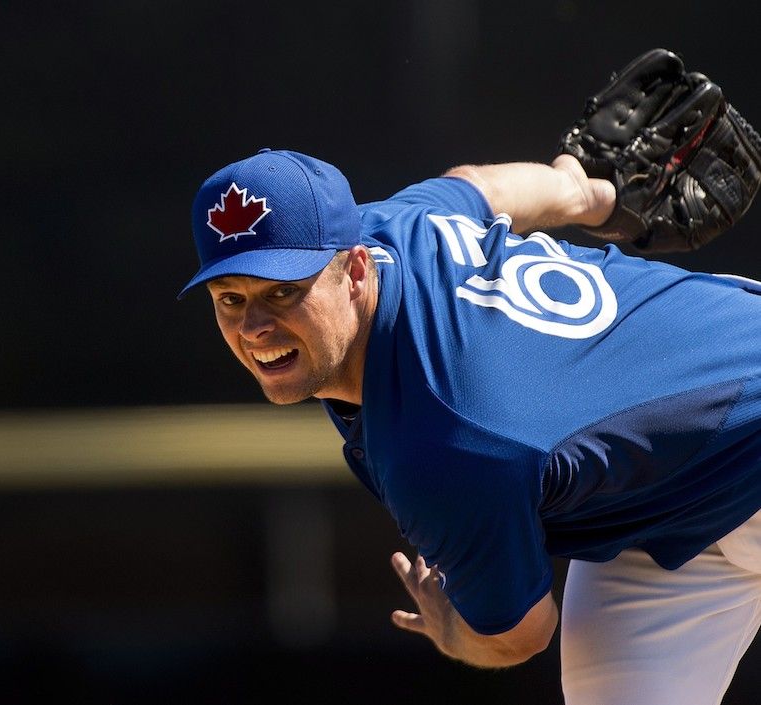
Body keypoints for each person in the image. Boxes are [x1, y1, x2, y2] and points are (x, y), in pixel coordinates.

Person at [178, 147, 761, 705]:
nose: (254, 325)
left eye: (284, 292)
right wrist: (580, 192)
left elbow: (520, 634)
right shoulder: (395, 227)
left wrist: (450, 628)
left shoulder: (444, 441)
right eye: (230, 298)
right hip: (669, 501)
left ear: (354, 270)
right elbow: (479, 186)